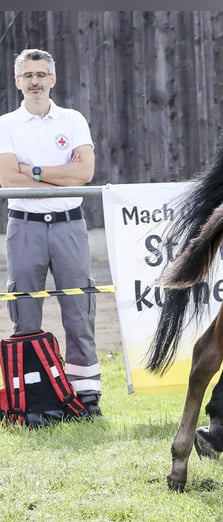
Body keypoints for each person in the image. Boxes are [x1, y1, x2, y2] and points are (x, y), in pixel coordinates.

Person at [0, 48, 102, 416]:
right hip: (24, 227)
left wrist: (35, 172)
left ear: (53, 79)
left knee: (79, 311)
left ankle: (87, 396)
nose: (35, 82)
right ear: (17, 82)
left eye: (41, 75)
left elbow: (84, 174)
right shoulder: (6, 124)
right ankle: (34, 399)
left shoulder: (72, 119)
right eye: (28, 75)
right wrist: (60, 174)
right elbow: (9, 181)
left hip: (69, 225)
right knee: (25, 312)